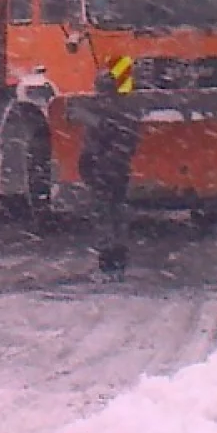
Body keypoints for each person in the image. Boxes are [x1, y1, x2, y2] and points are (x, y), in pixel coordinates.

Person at [78, 71, 141, 281]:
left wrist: (90, 167)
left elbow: (90, 145)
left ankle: (108, 262)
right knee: (117, 213)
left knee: (104, 215)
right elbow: (130, 141)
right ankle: (118, 260)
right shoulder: (126, 111)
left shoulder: (96, 111)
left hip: (102, 171)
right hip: (118, 171)